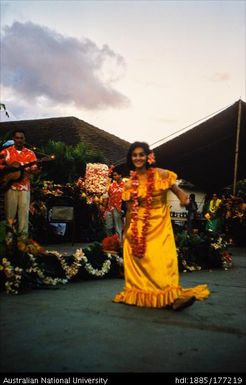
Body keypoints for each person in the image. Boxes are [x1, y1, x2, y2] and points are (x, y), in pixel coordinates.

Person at [113, 142, 210, 311]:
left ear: (148, 156)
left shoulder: (161, 174)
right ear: (131, 158)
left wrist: (183, 198)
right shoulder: (129, 184)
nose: (138, 158)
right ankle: (148, 294)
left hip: (159, 223)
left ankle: (171, 296)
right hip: (138, 225)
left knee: (163, 260)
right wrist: (126, 232)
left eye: (141, 154)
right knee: (140, 259)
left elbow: (177, 190)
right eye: (134, 155)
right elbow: (129, 210)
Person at [0, 129, 40, 241]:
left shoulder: (30, 153)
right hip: (10, 187)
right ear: (13, 139)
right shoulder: (5, 152)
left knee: (23, 217)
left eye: (21, 138)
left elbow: (34, 169)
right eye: (17, 138)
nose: (19, 140)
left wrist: (37, 169)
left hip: (24, 188)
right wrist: (8, 168)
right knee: (10, 217)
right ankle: (9, 243)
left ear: (24, 139)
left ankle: (23, 246)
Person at [104, 168, 125, 243]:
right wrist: (104, 208)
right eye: (113, 175)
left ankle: (119, 244)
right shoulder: (111, 186)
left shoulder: (125, 185)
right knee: (108, 227)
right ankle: (109, 243)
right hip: (109, 208)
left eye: (115, 175)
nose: (114, 176)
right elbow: (107, 197)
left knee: (118, 228)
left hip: (119, 209)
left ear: (120, 175)